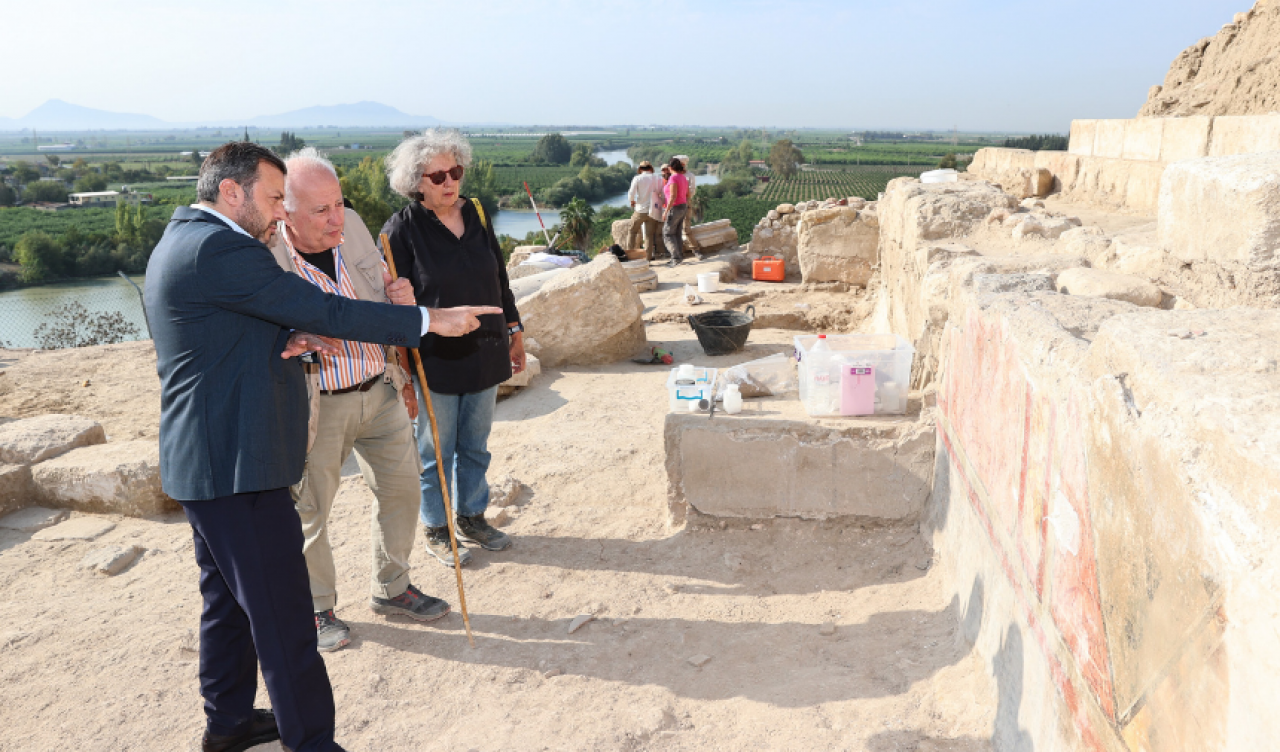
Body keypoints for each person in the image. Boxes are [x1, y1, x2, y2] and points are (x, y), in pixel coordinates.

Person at [145, 142, 500, 752]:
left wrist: (286, 337)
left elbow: (214, 342)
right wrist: (425, 321)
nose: (279, 211)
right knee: (284, 620)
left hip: (207, 462)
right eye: (274, 196)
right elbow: (318, 303)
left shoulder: (181, 240)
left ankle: (227, 724)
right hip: (237, 465)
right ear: (232, 193)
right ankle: (312, 743)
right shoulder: (221, 248)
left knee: (227, 608)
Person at [267, 147, 448, 654]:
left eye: (339, 203)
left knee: (403, 490)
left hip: (379, 385)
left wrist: (399, 305)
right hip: (318, 403)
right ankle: (318, 609)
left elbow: (378, 296)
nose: (336, 219)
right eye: (320, 210)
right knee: (311, 511)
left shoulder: (354, 225)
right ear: (286, 211)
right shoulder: (267, 256)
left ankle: (391, 587)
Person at [381, 129, 524, 567]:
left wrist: (516, 331)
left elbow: (498, 279)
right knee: (434, 454)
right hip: (435, 361)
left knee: (476, 445)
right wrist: (402, 373)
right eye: (437, 175)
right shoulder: (398, 233)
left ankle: (471, 517)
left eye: (455, 171)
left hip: (484, 349)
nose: (449, 182)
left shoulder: (476, 213)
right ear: (416, 182)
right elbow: (396, 308)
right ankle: (437, 529)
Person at [626, 161, 662, 259]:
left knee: (632, 231)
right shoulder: (657, 178)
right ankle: (648, 258)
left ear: (640, 169)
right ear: (650, 168)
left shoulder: (637, 178)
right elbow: (660, 193)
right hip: (653, 210)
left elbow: (631, 193)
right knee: (649, 235)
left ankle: (629, 255)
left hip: (640, 210)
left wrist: (632, 201)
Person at [662, 157, 691, 267]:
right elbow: (687, 194)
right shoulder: (683, 177)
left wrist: (666, 211)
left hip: (675, 207)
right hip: (683, 206)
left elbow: (673, 196)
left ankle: (675, 258)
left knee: (668, 233)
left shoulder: (673, 179)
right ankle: (679, 257)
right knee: (677, 233)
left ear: (670, 167)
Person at [672, 154, 703, 257]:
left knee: (686, 228)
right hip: (674, 204)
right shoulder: (672, 176)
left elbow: (692, 192)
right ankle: (677, 252)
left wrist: (679, 192)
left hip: (685, 203)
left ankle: (696, 249)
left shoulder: (690, 176)